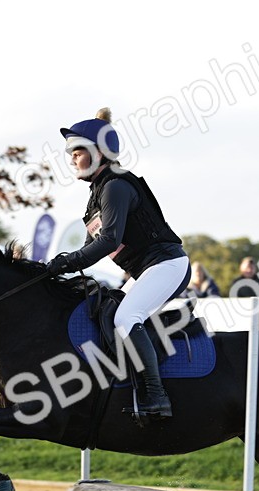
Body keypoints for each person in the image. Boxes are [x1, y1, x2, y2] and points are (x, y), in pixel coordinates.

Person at [46, 107, 189, 422]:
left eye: (77, 150)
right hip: (145, 270)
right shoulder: (97, 192)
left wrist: (61, 264)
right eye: (70, 152)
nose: (71, 158)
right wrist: (52, 268)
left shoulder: (115, 186)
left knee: (126, 316)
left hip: (167, 265)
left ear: (99, 153)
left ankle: (156, 396)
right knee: (109, 312)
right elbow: (89, 248)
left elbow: (107, 242)